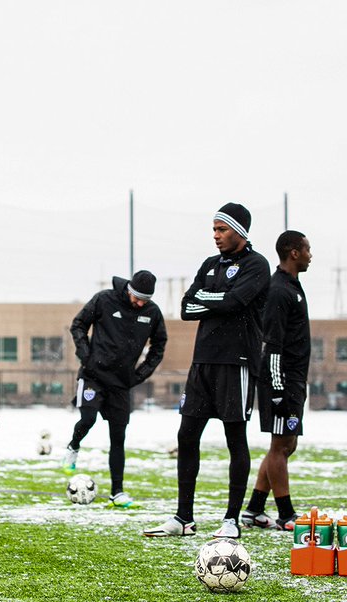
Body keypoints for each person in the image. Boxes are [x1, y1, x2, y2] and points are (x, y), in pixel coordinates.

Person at [144, 203, 269, 539]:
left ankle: (231, 520)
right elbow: (187, 308)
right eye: (213, 229)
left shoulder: (257, 265)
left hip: (237, 363)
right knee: (186, 436)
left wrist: (212, 299)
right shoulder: (210, 264)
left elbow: (235, 303)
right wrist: (221, 299)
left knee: (234, 438)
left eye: (222, 229)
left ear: (240, 231)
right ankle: (184, 518)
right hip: (203, 363)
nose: (216, 236)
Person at [64, 270, 167, 507]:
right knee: (88, 419)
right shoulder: (104, 299)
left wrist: (139, 375)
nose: (140, 303)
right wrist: (85, 356)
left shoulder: (152, 313)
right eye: (137, 297)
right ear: (129, 289)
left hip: (121, 383)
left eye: (145, 299)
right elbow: (78, 325)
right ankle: (74, 445)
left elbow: (159, 346)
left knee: (118, 438)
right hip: (93, 377)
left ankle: (117, 492)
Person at [242, 230, 312, 531]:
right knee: (281, 445)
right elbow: (271, 344)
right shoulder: (278, 290)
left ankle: (255, 509)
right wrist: (278, 389)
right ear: (293, 252)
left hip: (294, 380)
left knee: (287, 444)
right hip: (280, 380)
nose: (311, 254)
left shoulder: (293, 286)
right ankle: (286, 514)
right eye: (307, 249)